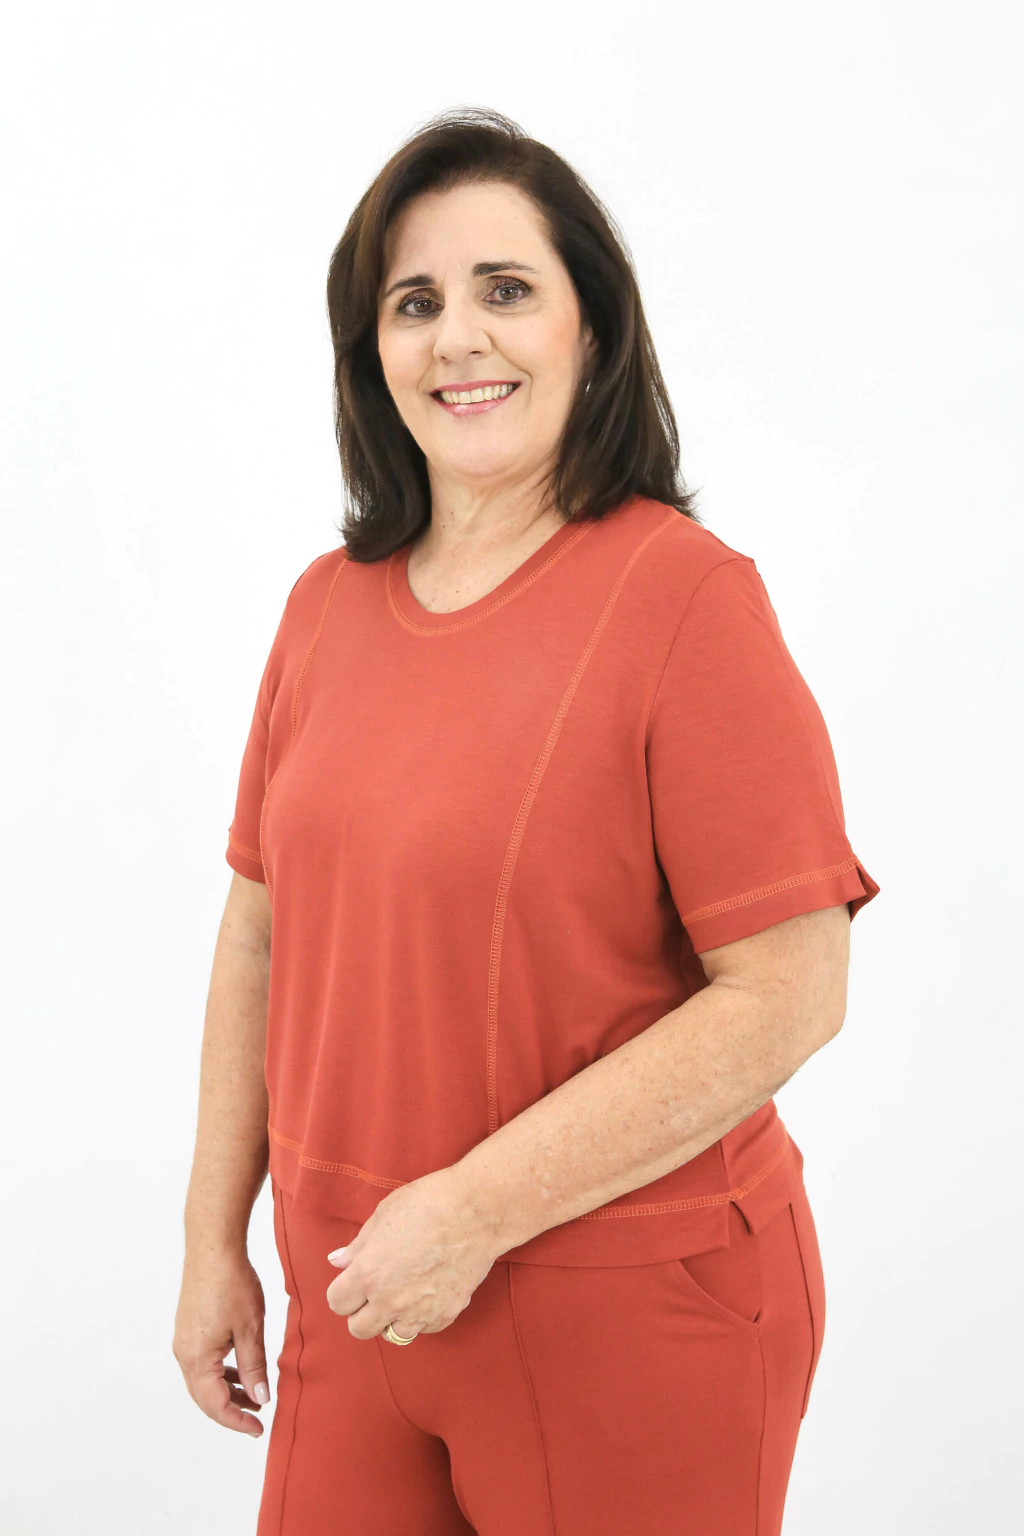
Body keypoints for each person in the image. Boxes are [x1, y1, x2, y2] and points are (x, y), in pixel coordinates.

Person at [173, 106, 879, 1536]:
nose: (459, 339)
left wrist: (475, 1212)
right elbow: (259, 934)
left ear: (591, 330)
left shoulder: (686, 601)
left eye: (506, 289)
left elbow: (792, 991)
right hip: (358, 1298)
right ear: (372, 352)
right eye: (414, 302)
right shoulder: (322, 610)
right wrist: (212, 1239)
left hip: (629, 1308)